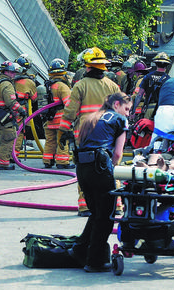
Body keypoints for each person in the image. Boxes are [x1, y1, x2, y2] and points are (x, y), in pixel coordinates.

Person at [69, 92, 131, 272]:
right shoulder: (119, 120)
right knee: (106, 217)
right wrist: (112, 170)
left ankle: (80, 250)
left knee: (96, 213)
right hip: (100, 167)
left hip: (82, 168)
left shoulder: (90, 118)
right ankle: (94, 262)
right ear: (117, 104)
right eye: (126, 109)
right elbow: (118, 154)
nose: (128, 113)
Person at [60, 47, 120, 216]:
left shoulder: (80, 86)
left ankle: (86, 206)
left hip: (85, 135)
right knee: (110, 168)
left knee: (85, 169)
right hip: (107, 134)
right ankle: (116, 205)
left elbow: (70, 111)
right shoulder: (113, 86)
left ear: (87, 66)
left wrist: (64, 130)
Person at [0, 61, 27, 170]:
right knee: (8, 139)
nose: (14, 74)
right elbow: (11, 102)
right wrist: (21, 110)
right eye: (12, 72)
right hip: (5, 118)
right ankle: (3, 162)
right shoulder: (7, 84)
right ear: (7, 72)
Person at [42, 59, 72, 168]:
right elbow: (69, 104)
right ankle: (62, 162)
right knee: (62, 140)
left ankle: (47, 160)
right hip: (60, 119)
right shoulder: (62, 86)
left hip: (49, 119)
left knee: (50, 141)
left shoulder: (48, 85)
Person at [131, 52, 170, 120]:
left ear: (156, 64)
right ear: (167, 65)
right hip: (162, 112)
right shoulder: (169, 80)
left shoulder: (147, 77)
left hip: (148, 110)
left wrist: (133, 111)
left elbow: (139, 95)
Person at [14, 55, 38, 156]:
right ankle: (14, 155)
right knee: (18, 133)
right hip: (20, 111)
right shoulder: (29, 82)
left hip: (6, 110)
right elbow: (34, 98)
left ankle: (3, 155)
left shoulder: (8, 78)